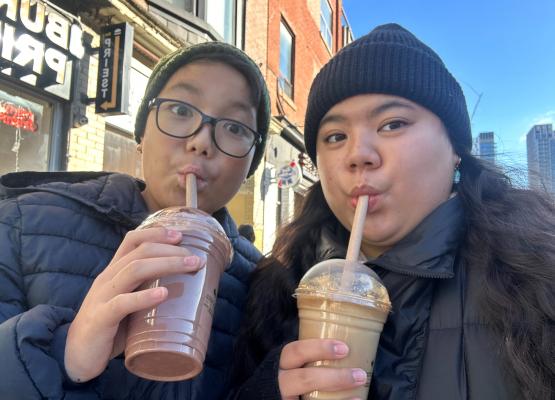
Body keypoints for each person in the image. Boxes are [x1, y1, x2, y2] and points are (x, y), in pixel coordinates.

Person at [232, 24, 554, 400]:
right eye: (335, 136)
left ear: (455, 149)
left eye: (393, 124)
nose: (358, 155)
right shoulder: (272, 291)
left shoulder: (539, 280)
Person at [0, 41, 270, 400]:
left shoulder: (261, 284)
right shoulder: (21, 223)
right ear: (141, 134)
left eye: (235, 128)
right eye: (179, 109)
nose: (201, 141)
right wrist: (65, 353)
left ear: (250, 165)